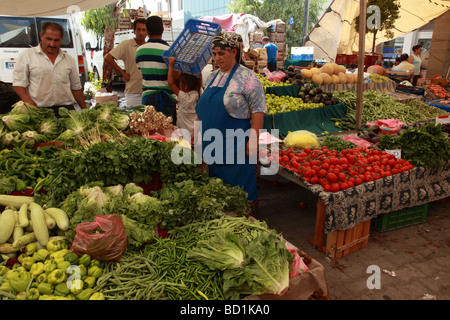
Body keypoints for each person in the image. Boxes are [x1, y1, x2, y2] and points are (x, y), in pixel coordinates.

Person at [194, 31, 267, 206]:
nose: (216, 59)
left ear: (234, 52)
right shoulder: (212, 77)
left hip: (236, 147)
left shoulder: (248, 78)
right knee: (216, 194)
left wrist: (253, 140)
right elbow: (203, 108)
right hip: (211, 146)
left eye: (221, 54)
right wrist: (196, 131)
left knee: (238, 195)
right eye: (214, 54)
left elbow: (258, 111)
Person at [13, 21, 86, 113]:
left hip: (65, 110)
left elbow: (76, 88)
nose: (52, 44)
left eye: (56, 40)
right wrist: (27, 100)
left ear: (61, 39)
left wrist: (84, 109)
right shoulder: (27, 56)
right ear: (41, 36)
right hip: (38, 110)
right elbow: (19, 84)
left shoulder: (69, 59)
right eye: (48, 39)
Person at [136, 15, 176, 124]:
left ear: (147, 31)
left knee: (150, 132)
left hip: (148, 98)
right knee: (169, 134)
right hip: (167, 97)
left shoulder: (139, 51)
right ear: (163, 30)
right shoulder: (170, 51)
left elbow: (140, 68)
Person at [104, 18, 147, 107]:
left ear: (147, 32)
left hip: (148, 91)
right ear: (134, 31)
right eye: (138, 29)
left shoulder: (148, 47)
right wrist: (123, 73)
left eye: (144, 30)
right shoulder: (126, 45)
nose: (141, 32)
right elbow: (108, 58)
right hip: (132, 92)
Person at [167, 56, 202, 140]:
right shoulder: (200, 92)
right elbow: (199, 79)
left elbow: (171, 83)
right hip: (196, 131)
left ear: (185, 86)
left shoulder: (184, 97)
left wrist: (171, 66)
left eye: (180, 83)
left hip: (186, 133)